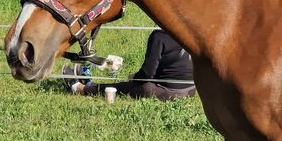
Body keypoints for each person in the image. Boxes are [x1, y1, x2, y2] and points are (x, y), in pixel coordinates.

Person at [64, 30, 196, 101]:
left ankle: (80, 88)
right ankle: (89, 84)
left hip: (168, 92)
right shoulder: (192, 30)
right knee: (137, 82)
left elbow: (147, 74)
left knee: (132, 86)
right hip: (191, 90)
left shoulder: (160, 36)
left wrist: (135, 77)